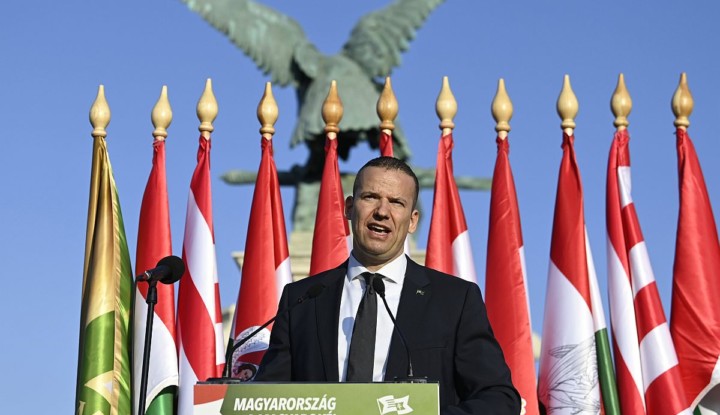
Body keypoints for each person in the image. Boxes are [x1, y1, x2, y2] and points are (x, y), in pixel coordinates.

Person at [256, 156, 520, 414]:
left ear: (413, 220)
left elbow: (499, 398)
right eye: (370, 197)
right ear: (349, 208)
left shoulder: (455, 300)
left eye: (396, 202)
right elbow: (265, 399)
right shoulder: (301, 300)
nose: (382, 212)